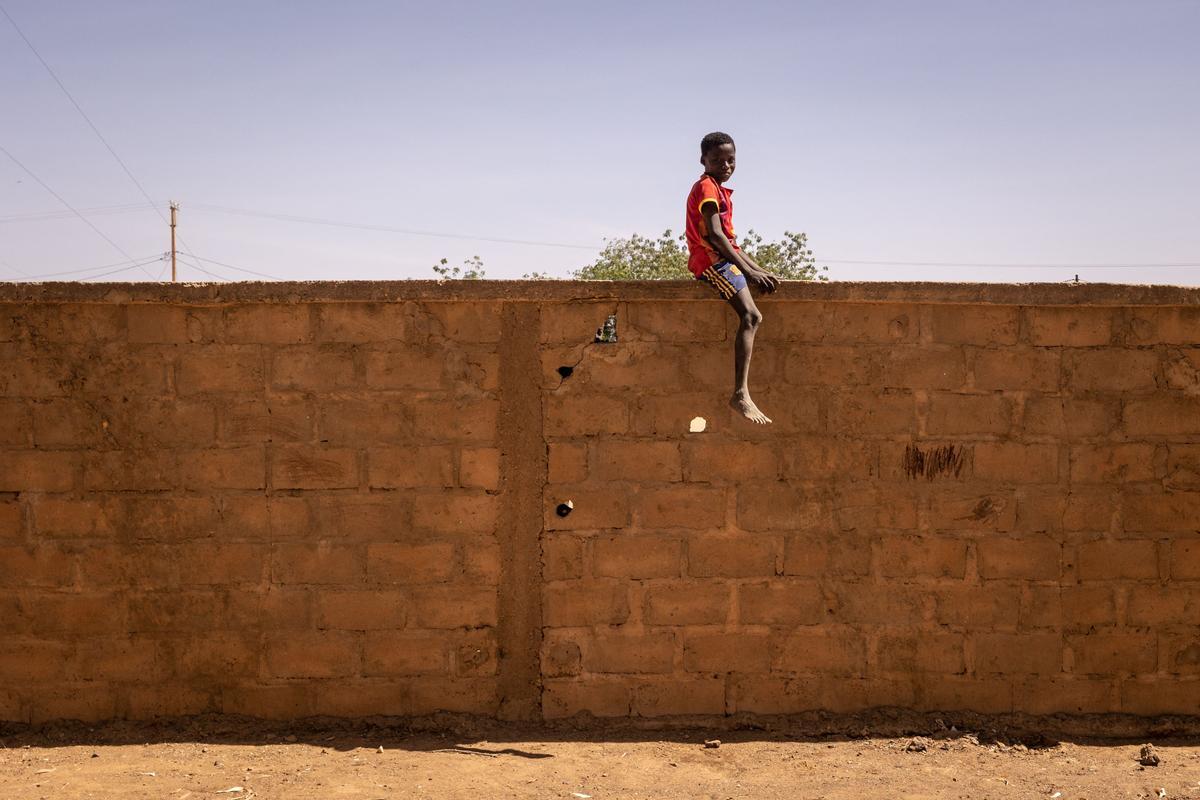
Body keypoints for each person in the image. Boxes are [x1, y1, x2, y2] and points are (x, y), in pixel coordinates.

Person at [685, 131, 781, 424]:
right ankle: (740, 393)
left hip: (723, 260)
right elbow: (714, 236)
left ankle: (742, 393)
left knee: (754, 316)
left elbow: (731, 242)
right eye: (717, 160)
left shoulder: (715, 187)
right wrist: (749, 271)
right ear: (703, 160)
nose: (725, 165)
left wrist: (758, 269)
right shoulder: (706, 188)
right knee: (751, 316)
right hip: (710, 263)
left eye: (730, 160)